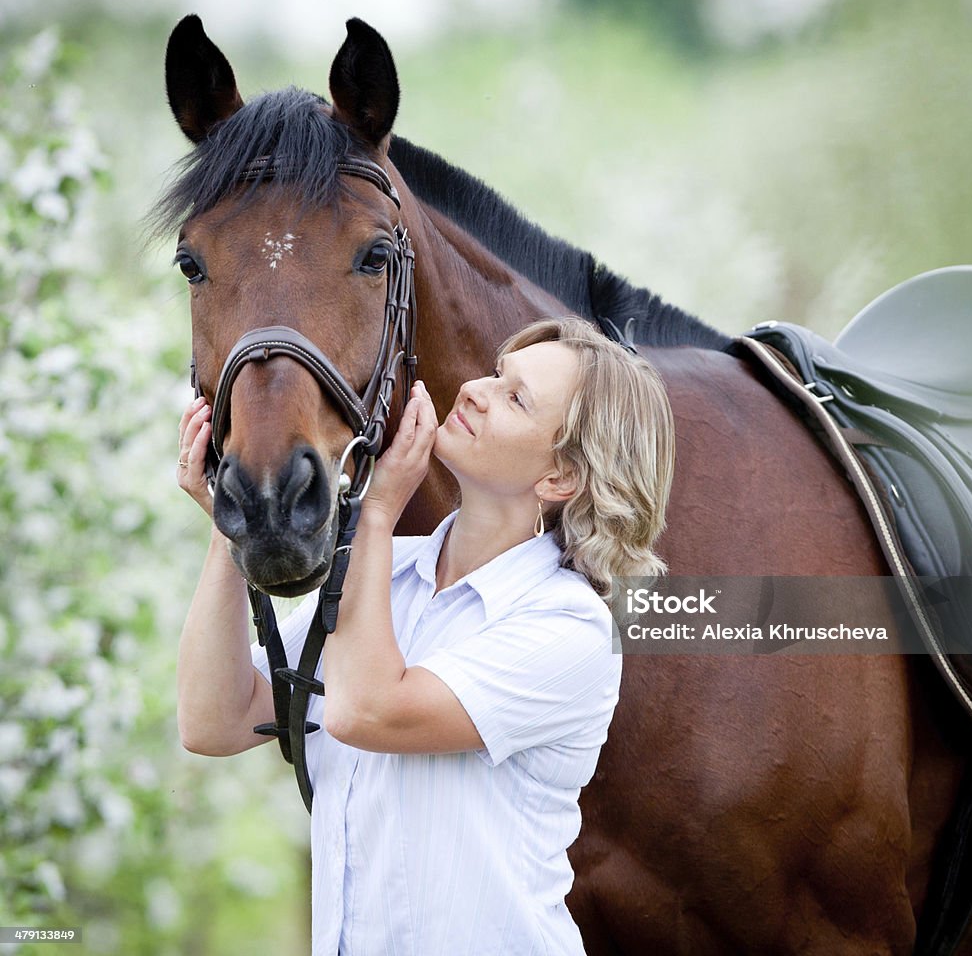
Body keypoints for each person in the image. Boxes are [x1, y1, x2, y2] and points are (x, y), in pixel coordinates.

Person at [175, 315, 676, 956]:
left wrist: (379, 511)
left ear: (560, 478)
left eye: (515, 397)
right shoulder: (385, 578)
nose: (474, 389)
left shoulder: (569, 629)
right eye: (497, 374)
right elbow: (214, 721)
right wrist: (233, 520)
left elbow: (367, 711)